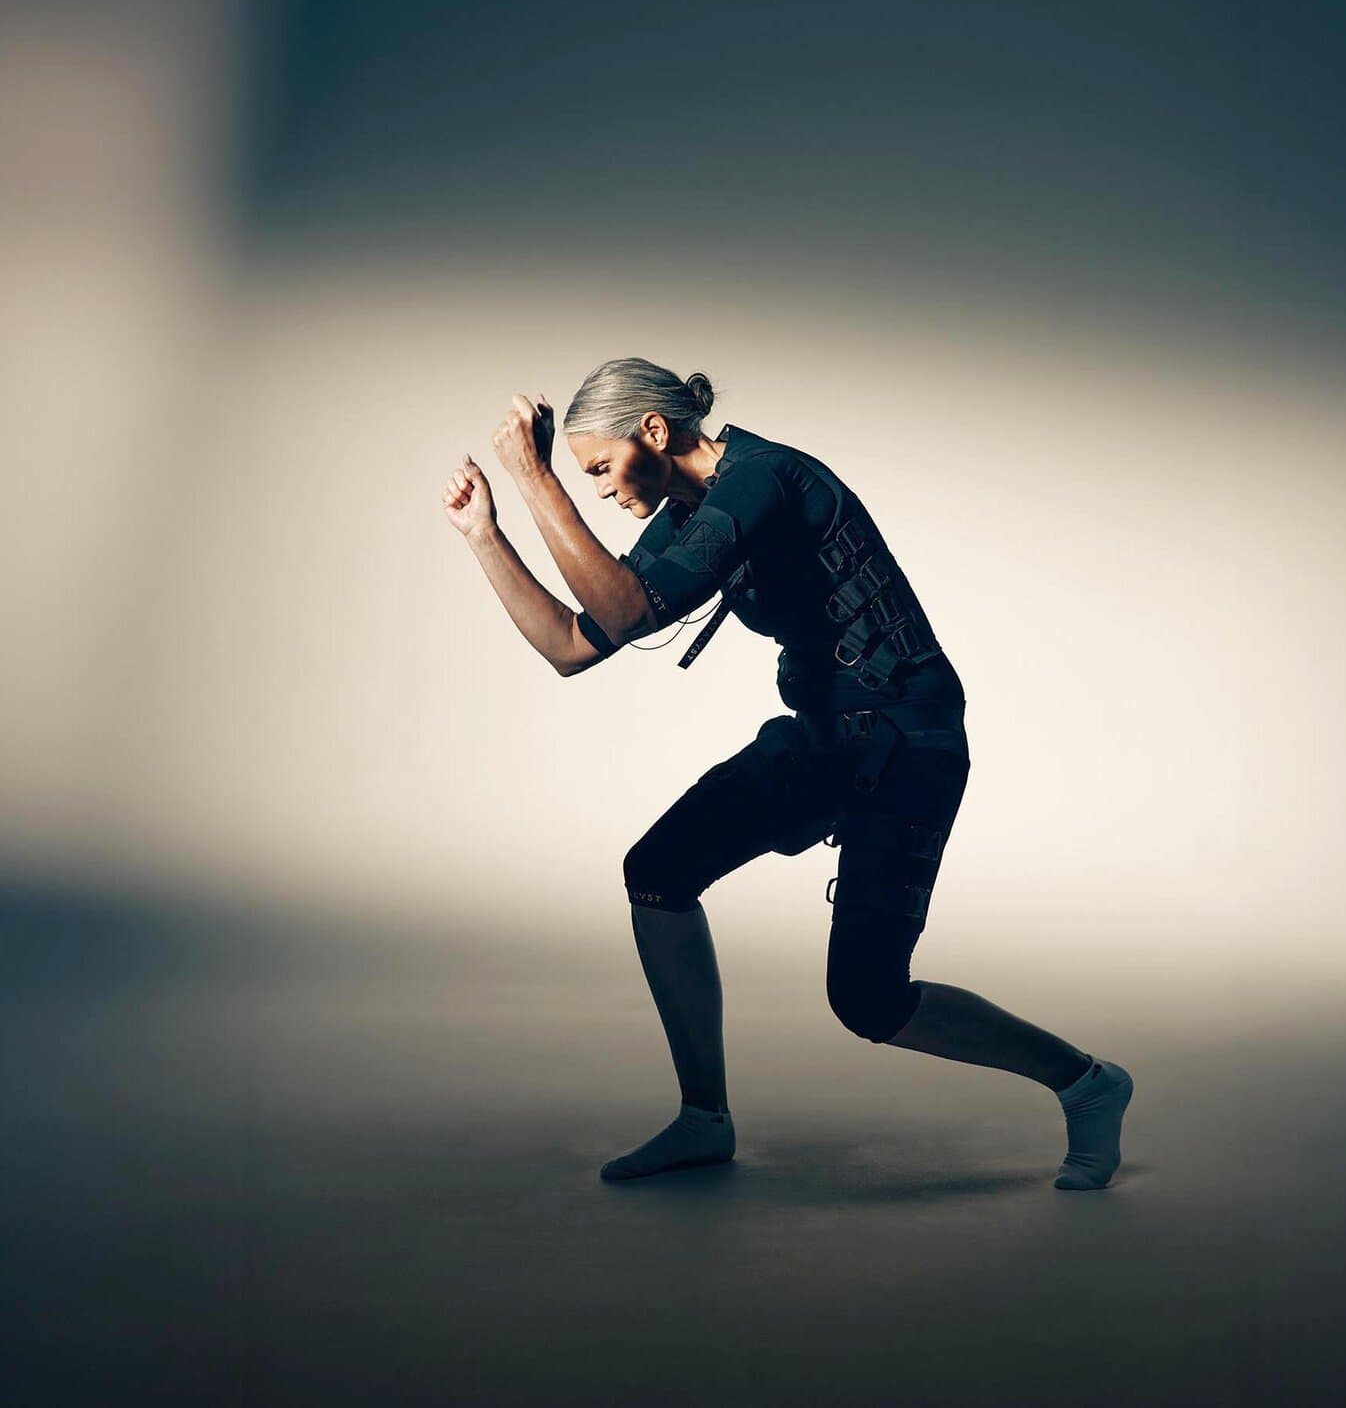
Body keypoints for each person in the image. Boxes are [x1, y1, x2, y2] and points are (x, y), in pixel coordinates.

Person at [441, 356, 1133, 1189]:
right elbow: (574, 645)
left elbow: (619, 608)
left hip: (909, 742)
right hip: (824, 739)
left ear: (654, 433)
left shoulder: (763, 482)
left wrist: (532, 473)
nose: (594, 489)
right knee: (657, 872)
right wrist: (487, 534)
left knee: (869, 1001)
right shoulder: (689, 508)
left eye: (598, 468)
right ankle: (704, 1119)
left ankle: (1089, 1085)